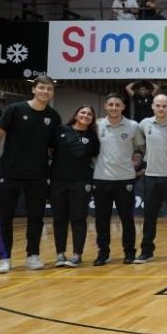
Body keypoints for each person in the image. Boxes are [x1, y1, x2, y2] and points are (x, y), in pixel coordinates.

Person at [0, 76, 61, 273]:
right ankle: (4, 258)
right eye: (42, 87)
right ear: (34, 89)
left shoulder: (53, 116)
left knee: (36, 218)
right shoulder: (15, 109)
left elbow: (54, 147)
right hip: (10, 172)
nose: (45, 91)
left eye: (49, 89)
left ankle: (32, 255)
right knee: (5, 217)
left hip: (38, 175)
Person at [91, 93, 145, 266]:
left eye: (117, 104)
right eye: (111, 104)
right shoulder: (97, 125)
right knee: (101, 219)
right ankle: (103, 253)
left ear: (123, 107)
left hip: (125, 179)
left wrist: (137, 163)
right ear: (106, 106)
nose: (114, 108)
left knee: (127, 218)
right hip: (101, 178)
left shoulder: (133, 126)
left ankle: (129, 252)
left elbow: (140, 148)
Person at [137, 94, 167, 263]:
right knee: (149, 217)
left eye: (164, 106)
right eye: (158, 105)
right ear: (152, 106)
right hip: (151, 176)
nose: (161, 108)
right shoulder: (144, 124)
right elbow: (138, 142)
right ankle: (147, 252)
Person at [49, 106, 99, 268]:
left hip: (81, 182)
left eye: (89, 114)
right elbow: (49, 150)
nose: (86, 115)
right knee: (59, 219)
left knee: (78, 218)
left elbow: (95, 156)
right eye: (82, 112)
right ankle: (60, 254)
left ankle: (77, 254)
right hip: (58, 181)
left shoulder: (93, 136)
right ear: (76, 115)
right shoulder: (61, 130)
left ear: (92, 119)